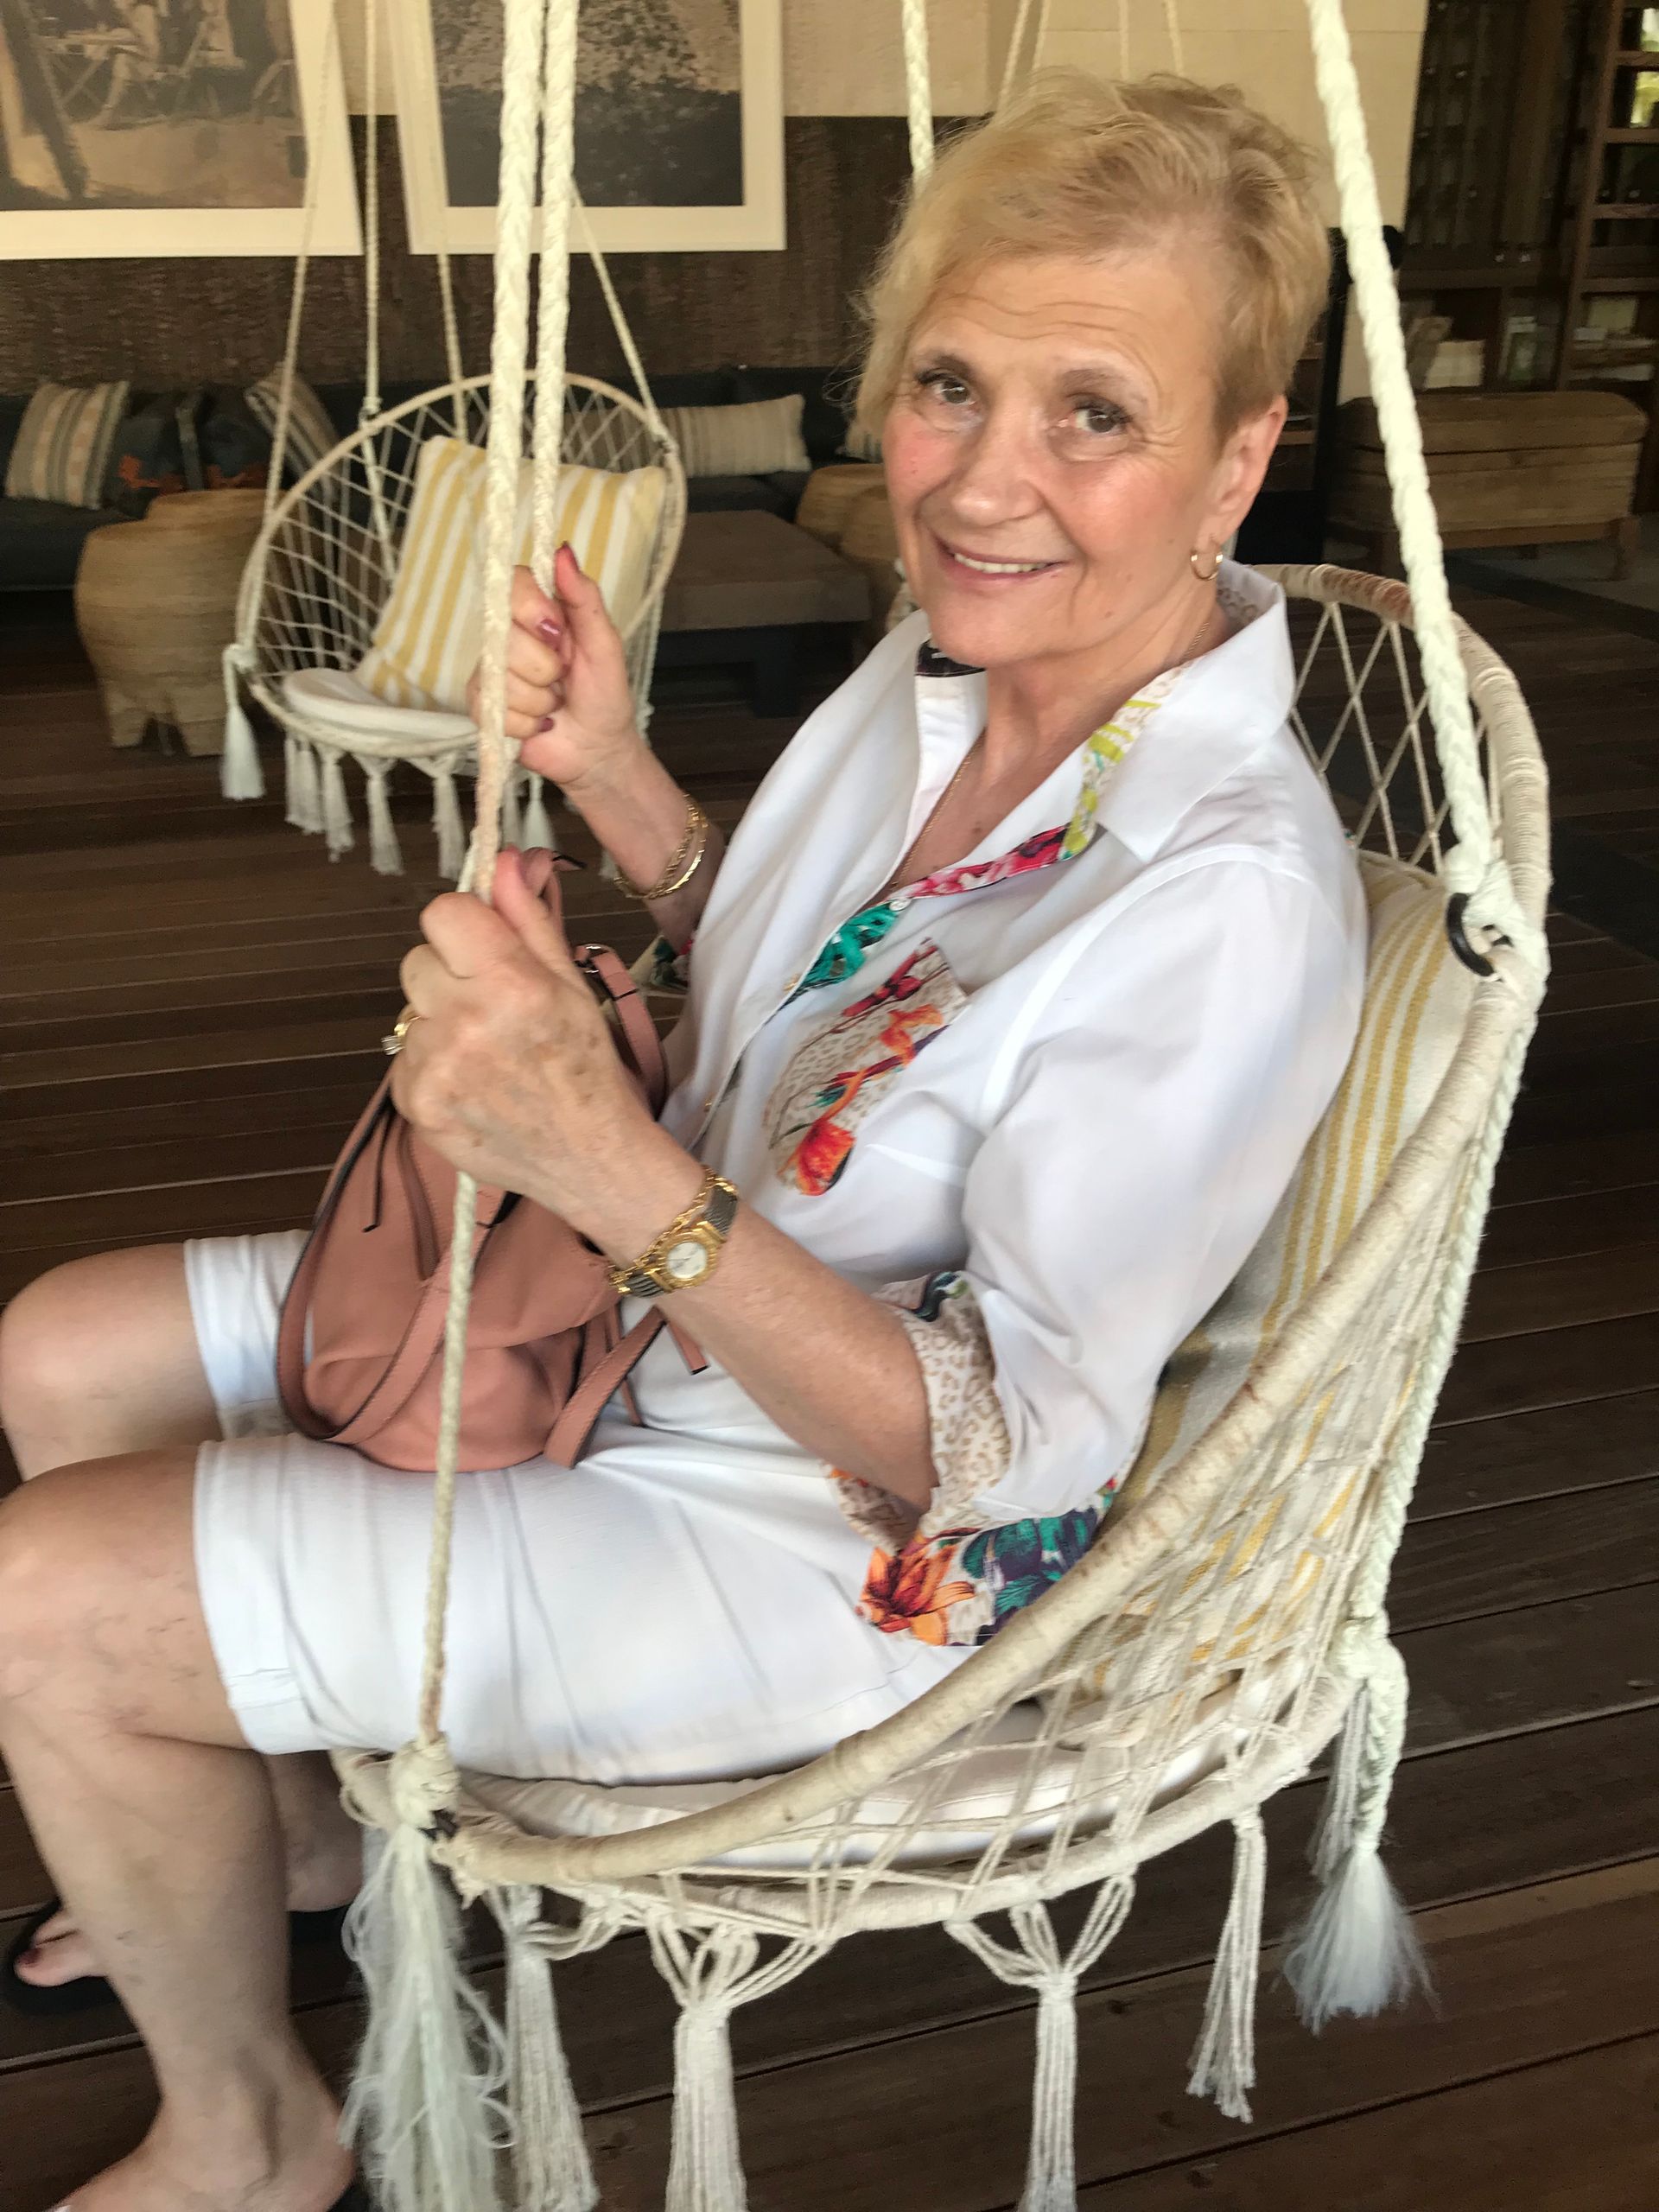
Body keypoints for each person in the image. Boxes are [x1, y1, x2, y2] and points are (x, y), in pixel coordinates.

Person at [0, 69, 1365, 2212]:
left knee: (36, 1601)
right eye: (950, 385)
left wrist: (605, 1161)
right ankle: (283, 1840)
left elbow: (1007, 1448)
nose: (982, 481)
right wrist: (626, 782)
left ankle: (251, 2131)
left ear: (1239, 457)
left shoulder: (1224, 895)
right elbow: (837, 992)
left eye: (1094, 411)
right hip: (636, 1322)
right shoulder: (944, 673)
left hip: (811, 1535)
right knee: (60, 1348)